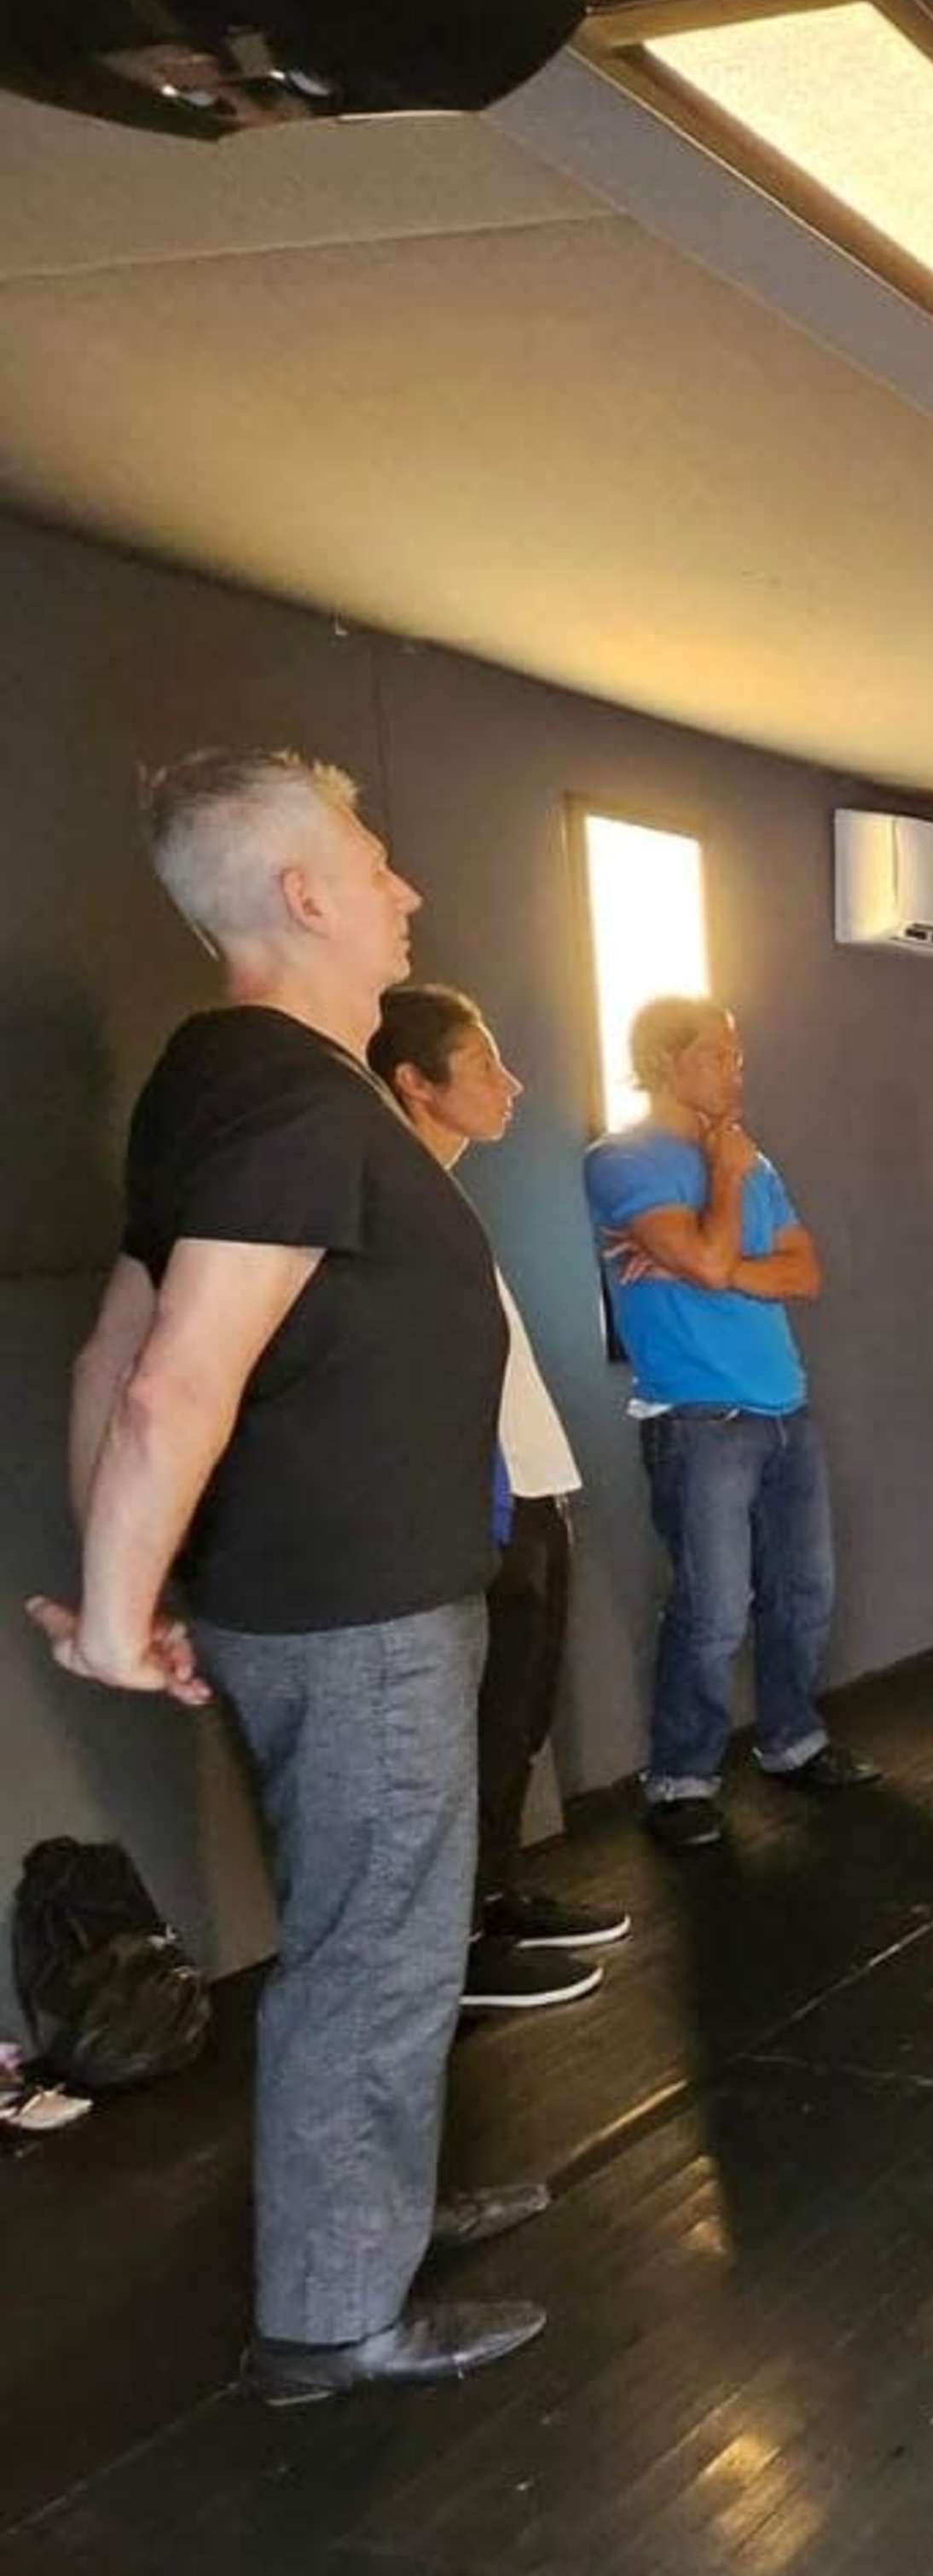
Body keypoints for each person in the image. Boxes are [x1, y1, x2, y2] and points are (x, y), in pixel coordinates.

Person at [26, 751, 547, 2399]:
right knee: (377, 1956)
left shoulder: (221, 1084)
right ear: (303, 894)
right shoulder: (286, 1098)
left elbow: (114, 1347)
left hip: (323, 1610)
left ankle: (370, 2222)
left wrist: (147, 1576)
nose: (405, 891)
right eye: (376, 863)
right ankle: (338, 2317)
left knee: (367, 1935)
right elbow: (172, 1374)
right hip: (359, 1625)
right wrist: (116, 1622)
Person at [371, 982, 629, 2017]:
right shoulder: (389, 1201)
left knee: (516, 1718)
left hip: (533, 1487)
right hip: (479, 1509)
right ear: (413, 1083)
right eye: (481, 1065)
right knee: (471, 1727)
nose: (511, 1083)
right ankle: (460, 1944)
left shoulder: (443, 1199)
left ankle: (496, 1897)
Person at [584, 995, 878, 1853]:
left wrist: (722, 1268)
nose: (736, 1070)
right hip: (697, 1417)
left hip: (785, 1404)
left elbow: (806, 1271)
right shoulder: (622, 1160)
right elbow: (712, 1259)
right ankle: (681, 1777)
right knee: (713, 1609)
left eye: (737, 1055)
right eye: (720, 1054)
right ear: (666, 1063)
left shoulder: (755, 1160)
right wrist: (722, 1184)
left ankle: (793, 1740)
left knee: (804, 1591)